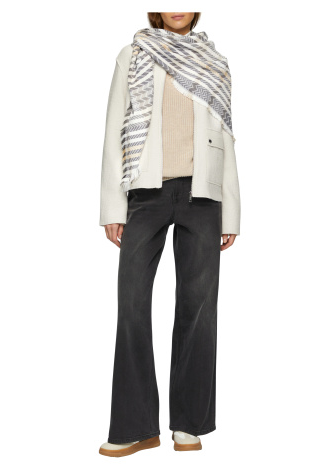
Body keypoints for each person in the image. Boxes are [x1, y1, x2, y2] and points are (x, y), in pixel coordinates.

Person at [98, 12, 241, 457]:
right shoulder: (133, 55)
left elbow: (227, 137)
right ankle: (135, 426)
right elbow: (113, 131)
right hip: (145, 194)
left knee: (198, 311)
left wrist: (231, 213)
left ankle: (188, 424)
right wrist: (112, 206)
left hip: (203, 197)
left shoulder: (214, 61)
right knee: (132, 306)